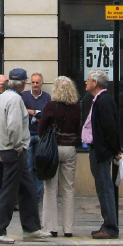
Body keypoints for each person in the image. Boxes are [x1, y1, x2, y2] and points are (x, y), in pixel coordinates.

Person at [0, 68, 49, 244]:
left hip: (7, 149)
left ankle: (31, 229)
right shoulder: (15, 99)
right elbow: (14, 126)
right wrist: (17, 146)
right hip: (15, 150)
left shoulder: (1, 98)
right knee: (8, 191)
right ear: (23, 83)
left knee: (27, 188)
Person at [81, 69, 123, 239]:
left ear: (95, 83)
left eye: (89, 79)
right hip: (99, 150)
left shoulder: (104, 101)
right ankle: (107, 224)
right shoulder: (98, 100)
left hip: (102, 152)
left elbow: (110, 128)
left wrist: (115, 150)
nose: (86, 82)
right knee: (103, 188)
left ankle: (110, 227)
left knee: (105, 189)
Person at [38, 76, 83, 237]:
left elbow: (41, 128)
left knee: (50, 188)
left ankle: (51, 227)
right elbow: (78, 129)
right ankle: (68, 228)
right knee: (68, 188)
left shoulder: (50, 106)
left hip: (53, 148)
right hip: (70, 147)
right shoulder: (76, 108)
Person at [20, 72, 51, 199]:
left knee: (38, 166)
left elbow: (47, 114)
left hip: (40, 135)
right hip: (27, 134)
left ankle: (37, 194)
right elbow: (21, 110)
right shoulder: (24, 96)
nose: (35, 85)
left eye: (37, 82)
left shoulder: (47, 97)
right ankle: (28, 193)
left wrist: (32, 113)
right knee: (27, 166)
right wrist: (34, 112)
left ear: (42, 84)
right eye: (33, 82)